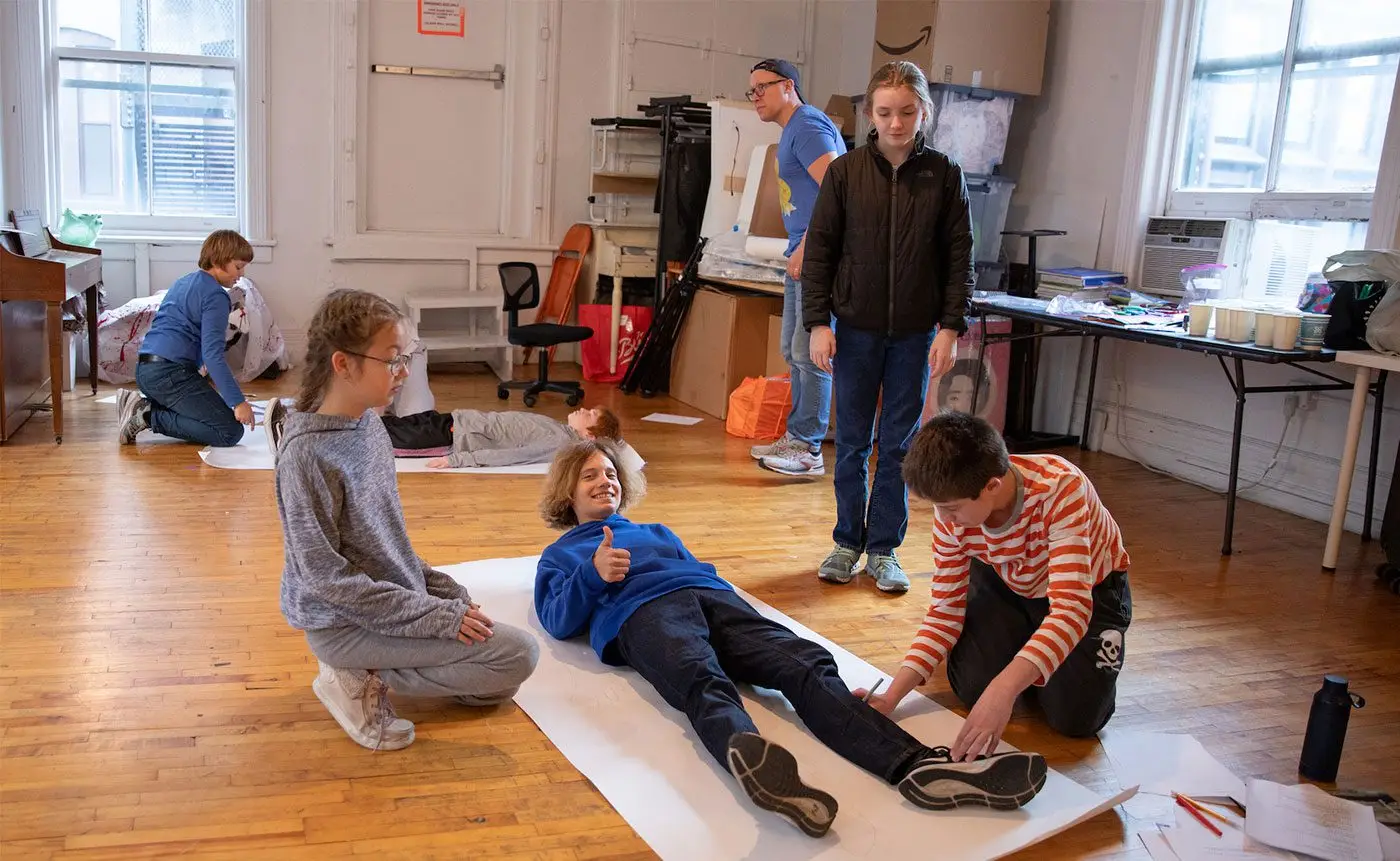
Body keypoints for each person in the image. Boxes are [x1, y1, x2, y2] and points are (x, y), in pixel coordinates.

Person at [534, 439, 1047, 838]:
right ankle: (756, 760)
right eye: (589, 476)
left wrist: (723, 598)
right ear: (567, 493)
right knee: (700, 677)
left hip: (714, 599)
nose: (605, 481)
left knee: (805, 662)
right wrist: (593, 575)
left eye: (610, 473)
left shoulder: (659, 532)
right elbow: (557, 618)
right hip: (641, 611)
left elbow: (702, 573)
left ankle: (919, 767)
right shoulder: (562, 553)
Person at [275, 289, 539, 751]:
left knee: (496, 686)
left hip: (389, 603)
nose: (403, 373)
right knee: (519, 653)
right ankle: (351, 675)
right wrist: (433, 618)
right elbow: (326, 581)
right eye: (392, 360)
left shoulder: (369, 426)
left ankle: (374, 665)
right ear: (343, 364)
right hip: (343, 624)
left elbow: (387, 540)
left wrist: (444, 592)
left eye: (406, 358)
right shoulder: (305, 456)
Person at [798, 61, 975, 593]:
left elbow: (960, 255)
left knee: (898, 445)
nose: (895, 123)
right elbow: (821, 252)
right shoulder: (845, 173)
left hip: (916, 335)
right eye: (884, 112)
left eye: (906, 112)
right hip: (854, 330)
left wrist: (950, 327)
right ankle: (846, 541)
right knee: (851, 443)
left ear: (924, 112)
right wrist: (816, 323)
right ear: (869, 114)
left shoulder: (944, 175)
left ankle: (883, 550)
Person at [863, 412, 1132, 762]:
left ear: (992, 485)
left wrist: (1005, 689)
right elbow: (944, 613)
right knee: (973, 688)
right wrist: (891, 695)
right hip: (1011, 581)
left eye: (952, 509)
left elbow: (1071, 610)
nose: (944, 520)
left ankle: (1032, 657)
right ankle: (1030, 653)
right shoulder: (954, 517)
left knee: (1077, 719)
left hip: (1089, 589)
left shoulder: (1061, 489)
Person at [745, 58, 847, 478]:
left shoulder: (807, 126)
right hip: (801, 256)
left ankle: (808, 448)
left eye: (762, 88)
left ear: (788, 86)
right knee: (792, 349)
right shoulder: (793, 131)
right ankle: (795, 436)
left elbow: (839, 189)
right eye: (751, 91)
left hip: (817, 256)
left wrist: (807, 245)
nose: (755, 98)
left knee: (810, 353)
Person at [116, 229, 259, 447]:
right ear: (217, 261)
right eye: (238, 267)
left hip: (146, 371)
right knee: (229, 431)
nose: (241, 274)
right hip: (169, 375)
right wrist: (238, 402)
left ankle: (144, 405)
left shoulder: (184, 282)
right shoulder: (216, 295)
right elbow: (213, 355)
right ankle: (146, 415)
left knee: (206, 411)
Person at [265, 399, 634, 470]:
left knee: (371, 433)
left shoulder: (560, 443)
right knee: (377, 423)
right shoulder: (557, 429)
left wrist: (460, 459)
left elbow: (509, 456)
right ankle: (301, 420)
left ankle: (296, 432)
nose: (583, 408)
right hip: (450, 421)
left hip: (451, 439)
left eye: (589, 414)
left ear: (589, 432)